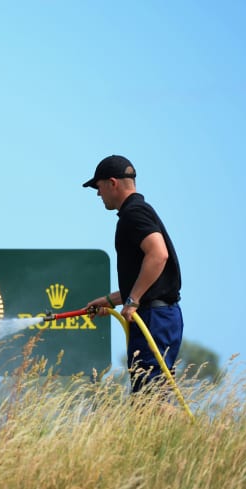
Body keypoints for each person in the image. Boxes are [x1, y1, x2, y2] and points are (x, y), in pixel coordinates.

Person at [82, 155, 183, 395]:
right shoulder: (138, 211)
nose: (98, 194)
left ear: (112, 183)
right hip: (159, 315)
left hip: (153, 317)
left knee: (151, 398)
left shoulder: (134, 213)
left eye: (98, 187)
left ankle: (201, 434)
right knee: (150, 395)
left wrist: (133, 300)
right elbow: (148, 278)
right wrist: (111, 301)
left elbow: (158, 255)